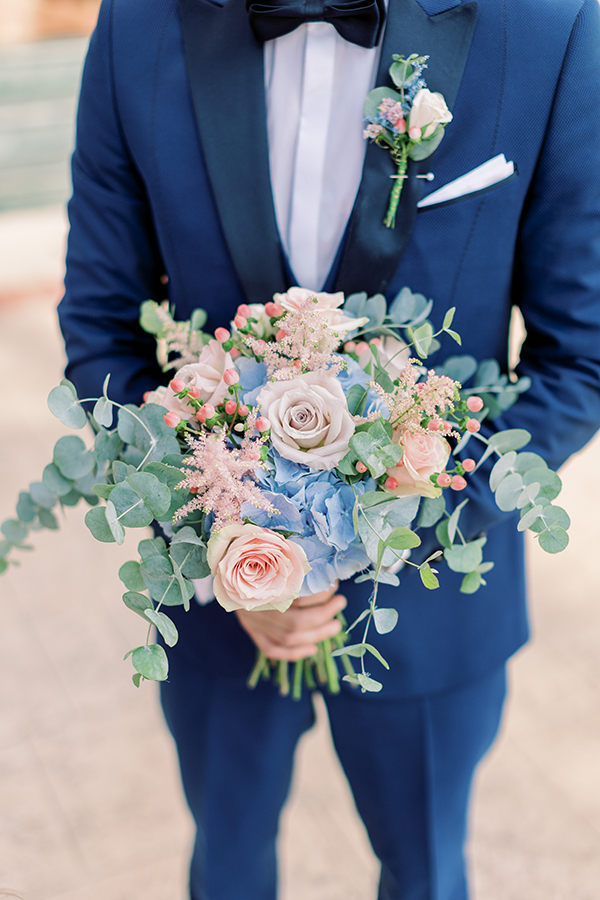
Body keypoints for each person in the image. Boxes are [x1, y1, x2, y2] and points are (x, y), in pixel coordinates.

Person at [57, 0, 600, 897]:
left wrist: (376, 524)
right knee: (225, 863)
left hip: (427, 602)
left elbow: (578, 356)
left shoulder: (550, 23)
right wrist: (221, 542)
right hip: (209, 595)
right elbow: (99, 331)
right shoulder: (139, 22)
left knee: (425, 870)